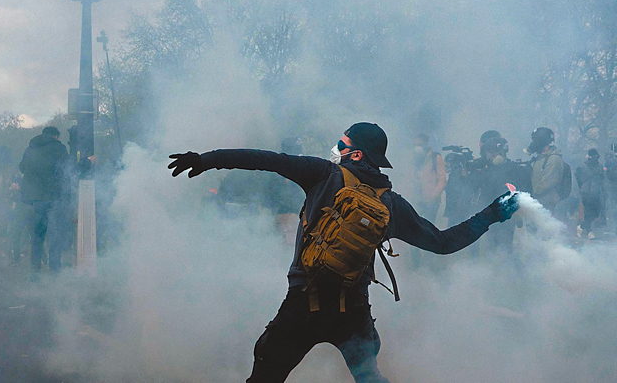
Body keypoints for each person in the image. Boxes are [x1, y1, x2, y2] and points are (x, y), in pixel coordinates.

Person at [168, 122, 519, 383]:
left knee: (265, 377)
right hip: (352, 310)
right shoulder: (391, 204)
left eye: (343, 143)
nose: (337, 147)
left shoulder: (322, 173)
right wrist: (493, 213)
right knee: (369, 378)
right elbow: (443, 243)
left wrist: (206, 160)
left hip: (303, 303)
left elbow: (266, 160)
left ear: (356, 154)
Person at [18, 126, 71, 277]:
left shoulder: (31, 148)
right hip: (54, 197)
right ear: (56, 136)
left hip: (35, 199)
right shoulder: (59, 148)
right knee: (55, 236)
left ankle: (35, 270)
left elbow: (22, 168)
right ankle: (54, 270)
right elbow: (68, 168)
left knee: (37, 236)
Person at [469, 136, 532, 250]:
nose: (489, 156)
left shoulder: (514, 169)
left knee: (505, 245)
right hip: (491, 213)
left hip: (506, 215)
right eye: (488, 153)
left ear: (501, 152)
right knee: (491, 245)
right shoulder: (488, 169)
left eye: (491, 152)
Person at [527, 127, 566, 218]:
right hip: (539, 203)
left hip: (548, 204)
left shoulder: (553, 159)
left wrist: (530, 195)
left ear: (541, 142)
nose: (533, 144)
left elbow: (547, 183)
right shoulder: (541, 158)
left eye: (535, 141)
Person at [411, 133, 446, 224]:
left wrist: (433, 197)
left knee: (428, 225)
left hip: (432, 201)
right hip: (418, 200)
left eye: (419, 144)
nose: (417, 147)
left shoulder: (435, 157)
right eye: (415, 145)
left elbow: (442, 180)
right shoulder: (415, 159)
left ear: (426, 144)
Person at [576, 148, 604, 239]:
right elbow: (578, 180)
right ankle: (589, 232)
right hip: (586, 192)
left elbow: (602, 179)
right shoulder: (581, 167)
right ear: (589, 157)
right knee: (588, 212)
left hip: (596, 192)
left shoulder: (600, 166)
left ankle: (581, 227)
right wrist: (582, 188)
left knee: (596, 213)